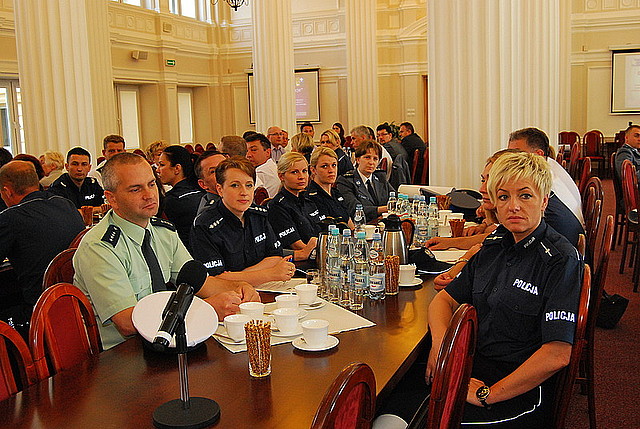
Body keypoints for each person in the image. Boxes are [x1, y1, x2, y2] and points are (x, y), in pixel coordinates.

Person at [425, 152, 582, 428]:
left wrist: (488, 395)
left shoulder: (560, 259)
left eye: (525, 196)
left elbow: (557, 354)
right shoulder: (495, 245)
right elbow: (443, 300)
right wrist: (441, 347)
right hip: (473, 367)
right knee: (394, 406)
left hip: (518, 390)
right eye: (503, 197)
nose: (514, 206)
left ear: (544, 200)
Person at [73, 153, 259, 350]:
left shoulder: (162, 232)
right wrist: (205, 308)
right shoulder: (99, 247)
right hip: (125, 352)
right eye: (136, 189)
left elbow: (201, 283)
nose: (149, 195)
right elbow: (127, 322)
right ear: (112, 198)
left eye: (152, 184)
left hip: (170, 341)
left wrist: (239, 288)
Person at [425, 149, 585, 250]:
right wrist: (486, 222)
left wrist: (453, 244)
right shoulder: (527, 203)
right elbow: (498, 234)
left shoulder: (533, 212)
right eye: (483, 180)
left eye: (490, 180)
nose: (482, 189)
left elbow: (495, 238)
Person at [0, 161, 84, 333]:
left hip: (39, 309)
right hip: (78, 301)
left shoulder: (10, 218)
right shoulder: (66, 204)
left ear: (7, 191)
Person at [190, 157, 295, 285]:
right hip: (227, 293)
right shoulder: (204, 225)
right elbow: (216, 278)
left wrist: (240, 276)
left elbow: (275, 257)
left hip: (264, 286)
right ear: (220, 189)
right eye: (235, 185)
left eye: (249, 185)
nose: (244, 192)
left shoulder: (259, 216)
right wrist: (269, 273)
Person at [507, 127, 584, 227]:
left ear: (538, 154)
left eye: (517, 154)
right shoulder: (550, 165)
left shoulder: (543, 181)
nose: (510, 160)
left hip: (562, 233)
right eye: (509, 154)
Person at [268, 152, 321, 261]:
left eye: (304, 171)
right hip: (299, 261)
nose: (301, 177)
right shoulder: (277, 206)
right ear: (281, 176)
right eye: (294, 172)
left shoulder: (308, 201)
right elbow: (297, 246)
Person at [156, 145, 204, 251]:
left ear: (177, 168)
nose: (158, 170)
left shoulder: (170, 200)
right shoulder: (201, 190)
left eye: (162, 165)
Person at [336, 140, 393, 222]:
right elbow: (354, 209)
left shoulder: (380, 177)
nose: (371, 162)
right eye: (367, 157)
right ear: (358, 159)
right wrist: (385, 209)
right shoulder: (346, 181)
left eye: (375, 159)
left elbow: (394, 198)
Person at [307, 146, 353, 227]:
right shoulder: (310, 198)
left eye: (334, 165)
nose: (331, 170)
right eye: (325, 166)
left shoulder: (336, 193)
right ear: (313, 170)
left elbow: (349, 222)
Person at [245, 132, 280, 197]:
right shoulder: (272, 166)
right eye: (246, 151)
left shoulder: (261, 172)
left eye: (253, 150)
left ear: (268, 152)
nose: (248, 155)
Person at [194, 150, 228, 214]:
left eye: (226, 167)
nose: (224, 173)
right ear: (203, 184)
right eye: (213, 171)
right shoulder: (210, 214)